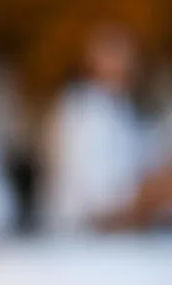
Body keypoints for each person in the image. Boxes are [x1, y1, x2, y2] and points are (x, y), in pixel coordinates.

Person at [39, 24, 147, 234]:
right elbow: (93, 194)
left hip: (114, 219)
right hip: (81, 229)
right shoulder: (79, 109)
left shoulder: (121, 107)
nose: (123, 64)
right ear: (91, 60)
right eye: (113, 54)